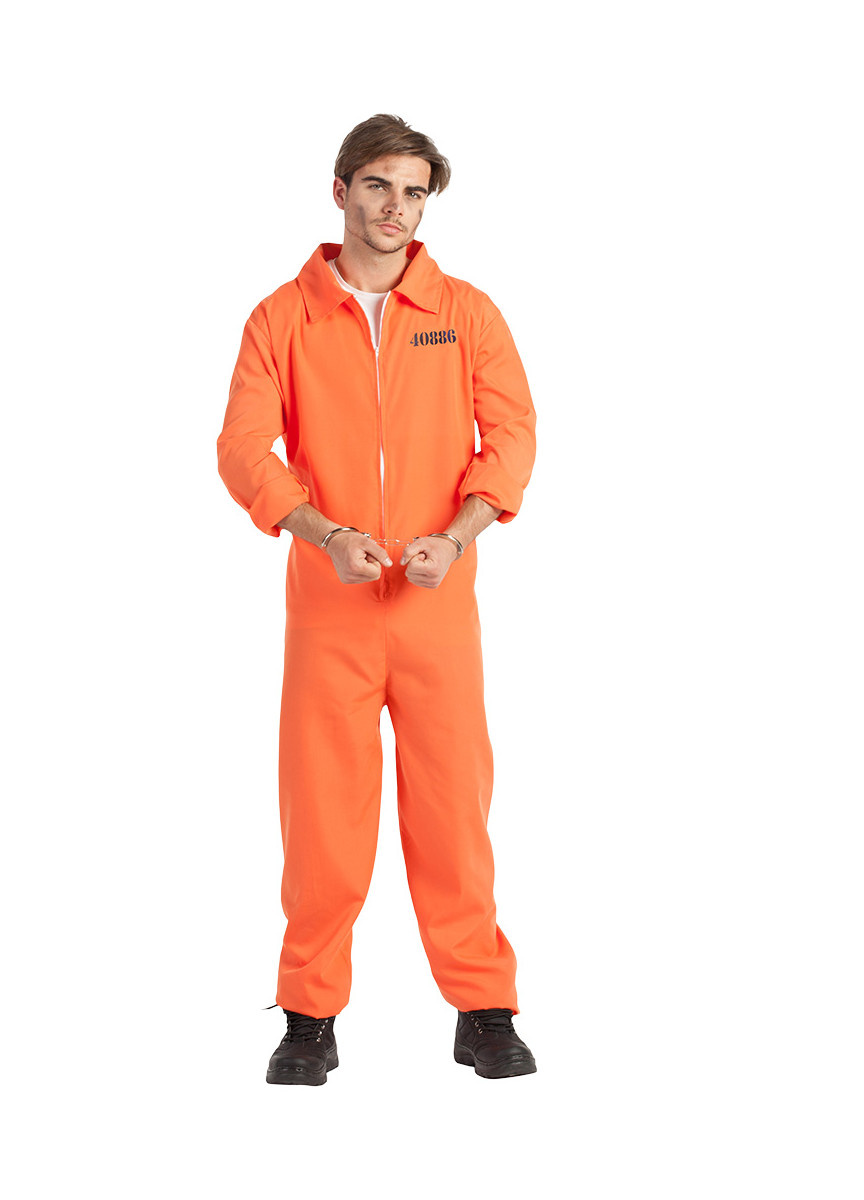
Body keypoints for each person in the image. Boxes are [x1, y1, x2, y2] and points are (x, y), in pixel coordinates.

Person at [216, 114, 539, 1085]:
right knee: (323, 820)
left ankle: (483, 1007)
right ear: (340, 189)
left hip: (437, 610)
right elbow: (243, 448)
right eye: (377, 186)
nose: (396, 208)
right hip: (332, 614)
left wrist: (459, 534)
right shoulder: (282, 319)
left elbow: (511, 436)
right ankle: (309, 1015)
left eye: (413, 192)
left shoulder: (466, 312)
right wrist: (322, 533)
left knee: (452, 813)